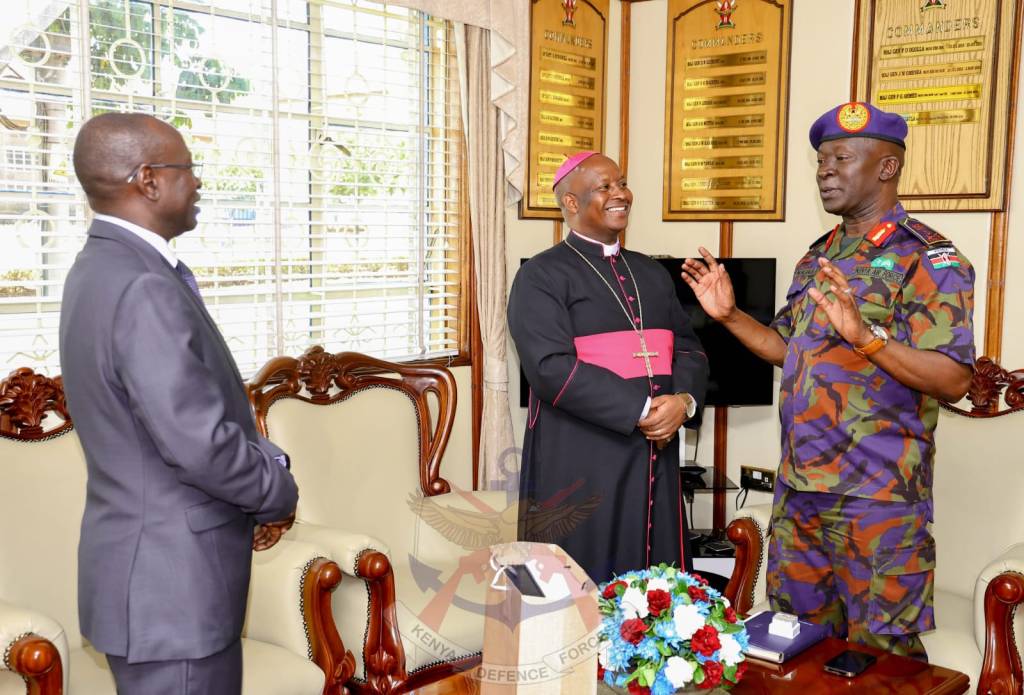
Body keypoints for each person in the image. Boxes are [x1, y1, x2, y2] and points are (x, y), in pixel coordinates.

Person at [681, 102, 975, 658]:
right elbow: (787, 347)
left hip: (877, 498)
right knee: (795, 646)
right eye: (821, 160)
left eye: (841, 158)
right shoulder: (819, 256)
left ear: (886, 167)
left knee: (882, 658)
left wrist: (866, 337)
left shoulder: (928, 258)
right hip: (800, 492)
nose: (825, 171)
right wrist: (729, 316)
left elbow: (954, 378)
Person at [59, 113, 299, 694]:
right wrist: (276, 492)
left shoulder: (98, 268)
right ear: (148, 180)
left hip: (151, 582)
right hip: (174, 591)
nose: (198, 183)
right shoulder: (143, 285)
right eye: (187, 169)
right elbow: (199, 444)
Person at [508, 151, 709, 583]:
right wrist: (644, 410)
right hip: (582, 457)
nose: (620, 194)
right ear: (571, 203)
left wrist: (683, 401)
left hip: (655, 452)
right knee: (582, 585)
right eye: (605, 187)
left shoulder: (651, 273)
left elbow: (689, 350)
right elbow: (550, 368)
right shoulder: (540, 276)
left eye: (622, 183)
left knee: (660, 587)